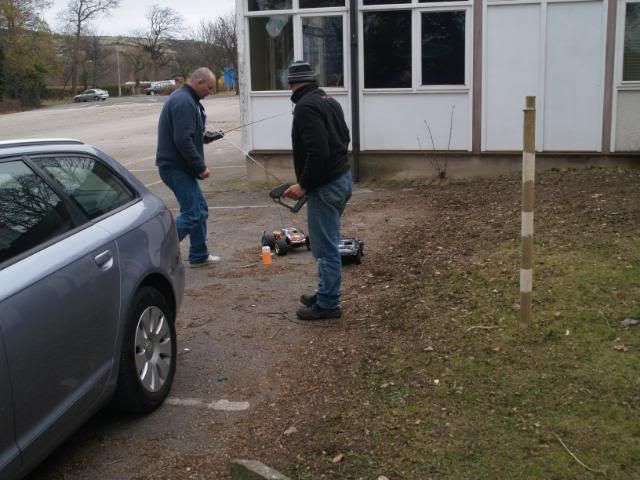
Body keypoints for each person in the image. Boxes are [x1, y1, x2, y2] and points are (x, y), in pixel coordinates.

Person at [283, 60, 353, 320]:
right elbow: (344, 137)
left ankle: (328, 304)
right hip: (342, 179)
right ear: (312, 79)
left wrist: (303, 185)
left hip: (326, 186)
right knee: (329, 241)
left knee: (325, 249)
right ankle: (325, 291)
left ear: (291, 83)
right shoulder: (329, 101)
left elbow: (318, 151)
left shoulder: (304, 107)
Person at [156, 67, 219, 268]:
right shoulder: (183, 101)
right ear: (198, 82)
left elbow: (186, 134)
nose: (210, 92)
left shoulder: (186, 99)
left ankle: (199, 256)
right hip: (175, 168)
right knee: (192, 214)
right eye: (209, 88)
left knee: (200, 209)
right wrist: (200, 167)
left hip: (179, 167)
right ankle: (157, 254)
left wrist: (203, 138)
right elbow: (182, 139)